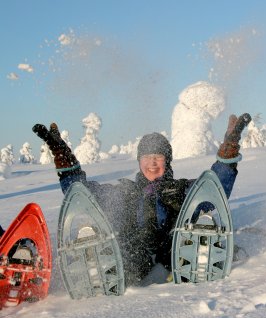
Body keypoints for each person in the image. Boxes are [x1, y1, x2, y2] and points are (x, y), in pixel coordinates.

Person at [33, 113, 251, 285]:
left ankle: (200, 252)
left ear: (168, 161)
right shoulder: (125, 192)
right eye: (147, 157)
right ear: (139, 161)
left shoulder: (182, 189)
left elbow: (214, 190)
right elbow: (82, 194)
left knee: (197, 221)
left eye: (158, 157)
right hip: (133, 261)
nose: (152, 163)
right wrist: (63, 158)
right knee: (116, 239)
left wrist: (228, 155)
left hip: (174, 255)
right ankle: (97, 263)